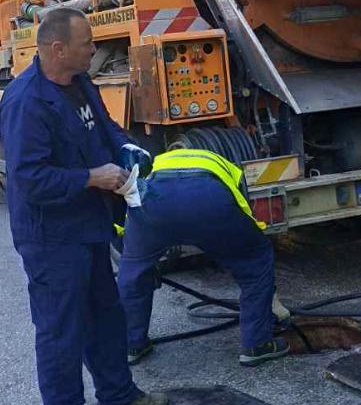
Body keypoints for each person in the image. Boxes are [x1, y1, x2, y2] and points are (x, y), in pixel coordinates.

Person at [0, 6, 167, 405]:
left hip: (89, 225)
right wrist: (93, 177)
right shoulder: (27, 101)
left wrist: (128, 150)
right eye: (87, 43)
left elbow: (104, 127)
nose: (94, 48)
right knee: (61, 326)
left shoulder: (80, 83)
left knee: (106, 316)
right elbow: (30, 179)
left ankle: (117, 398)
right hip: (51, 235)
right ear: (58, 49)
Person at [117, 142, 290, 367]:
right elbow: (242, 207)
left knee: (133, 273)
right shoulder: (222, 164)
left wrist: (136, 255)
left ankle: (132, 345)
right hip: (210, 200)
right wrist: (252, 241)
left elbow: (128, 215)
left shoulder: (156, 162)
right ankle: (257, 345)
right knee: (255, 260)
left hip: (154, 205)